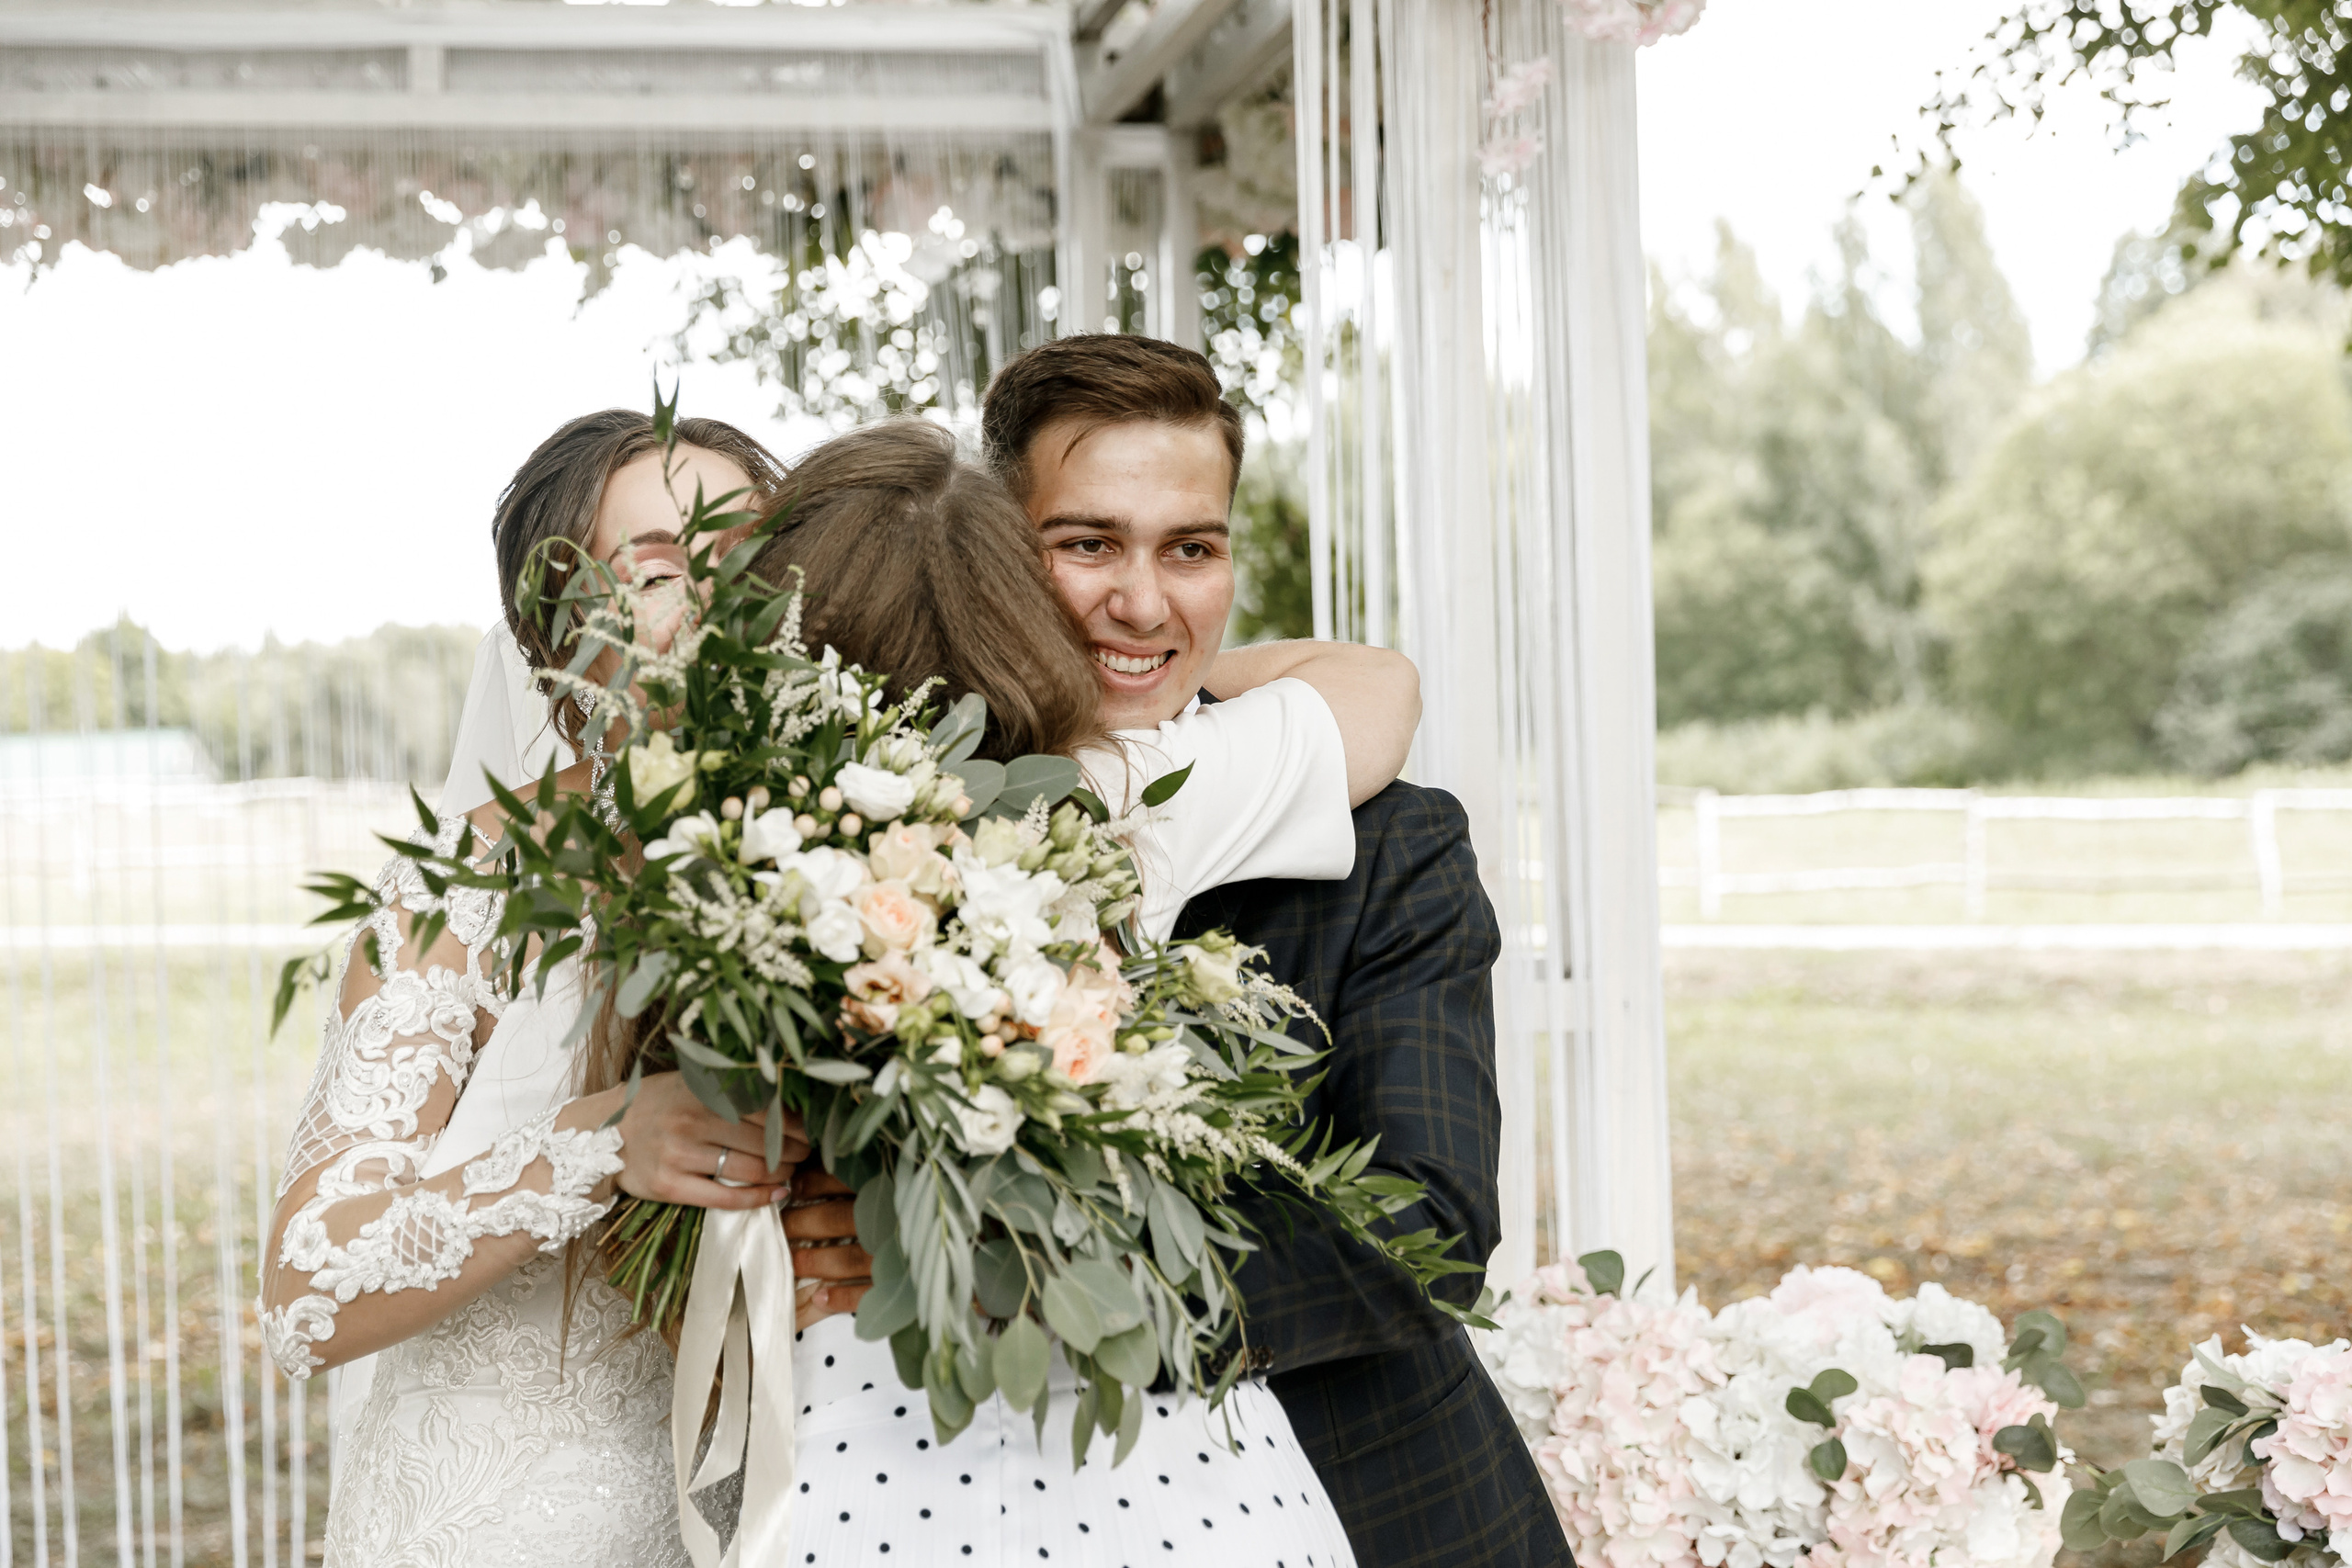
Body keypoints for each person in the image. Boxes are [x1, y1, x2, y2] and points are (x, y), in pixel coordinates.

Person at [267, 407, 1420, 1565]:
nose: (719, 609)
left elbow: (1367, 702)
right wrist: (600, 1139)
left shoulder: (944, 811)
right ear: (547, 627)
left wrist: (1090, 669)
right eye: (663, 569)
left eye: (749, 563)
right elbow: (310, 1289)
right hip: (506, 1519)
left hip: (788, 1511)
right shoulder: (467, 891)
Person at [790, 333, 1572, 1567]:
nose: (1144, 603)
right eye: (1087, 542)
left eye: (1190, 549)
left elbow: (1430, 1222)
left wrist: (1051, 1292)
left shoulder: (1387, 840)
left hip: (1369, 1504)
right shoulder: (858, 839)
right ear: (997, 549)